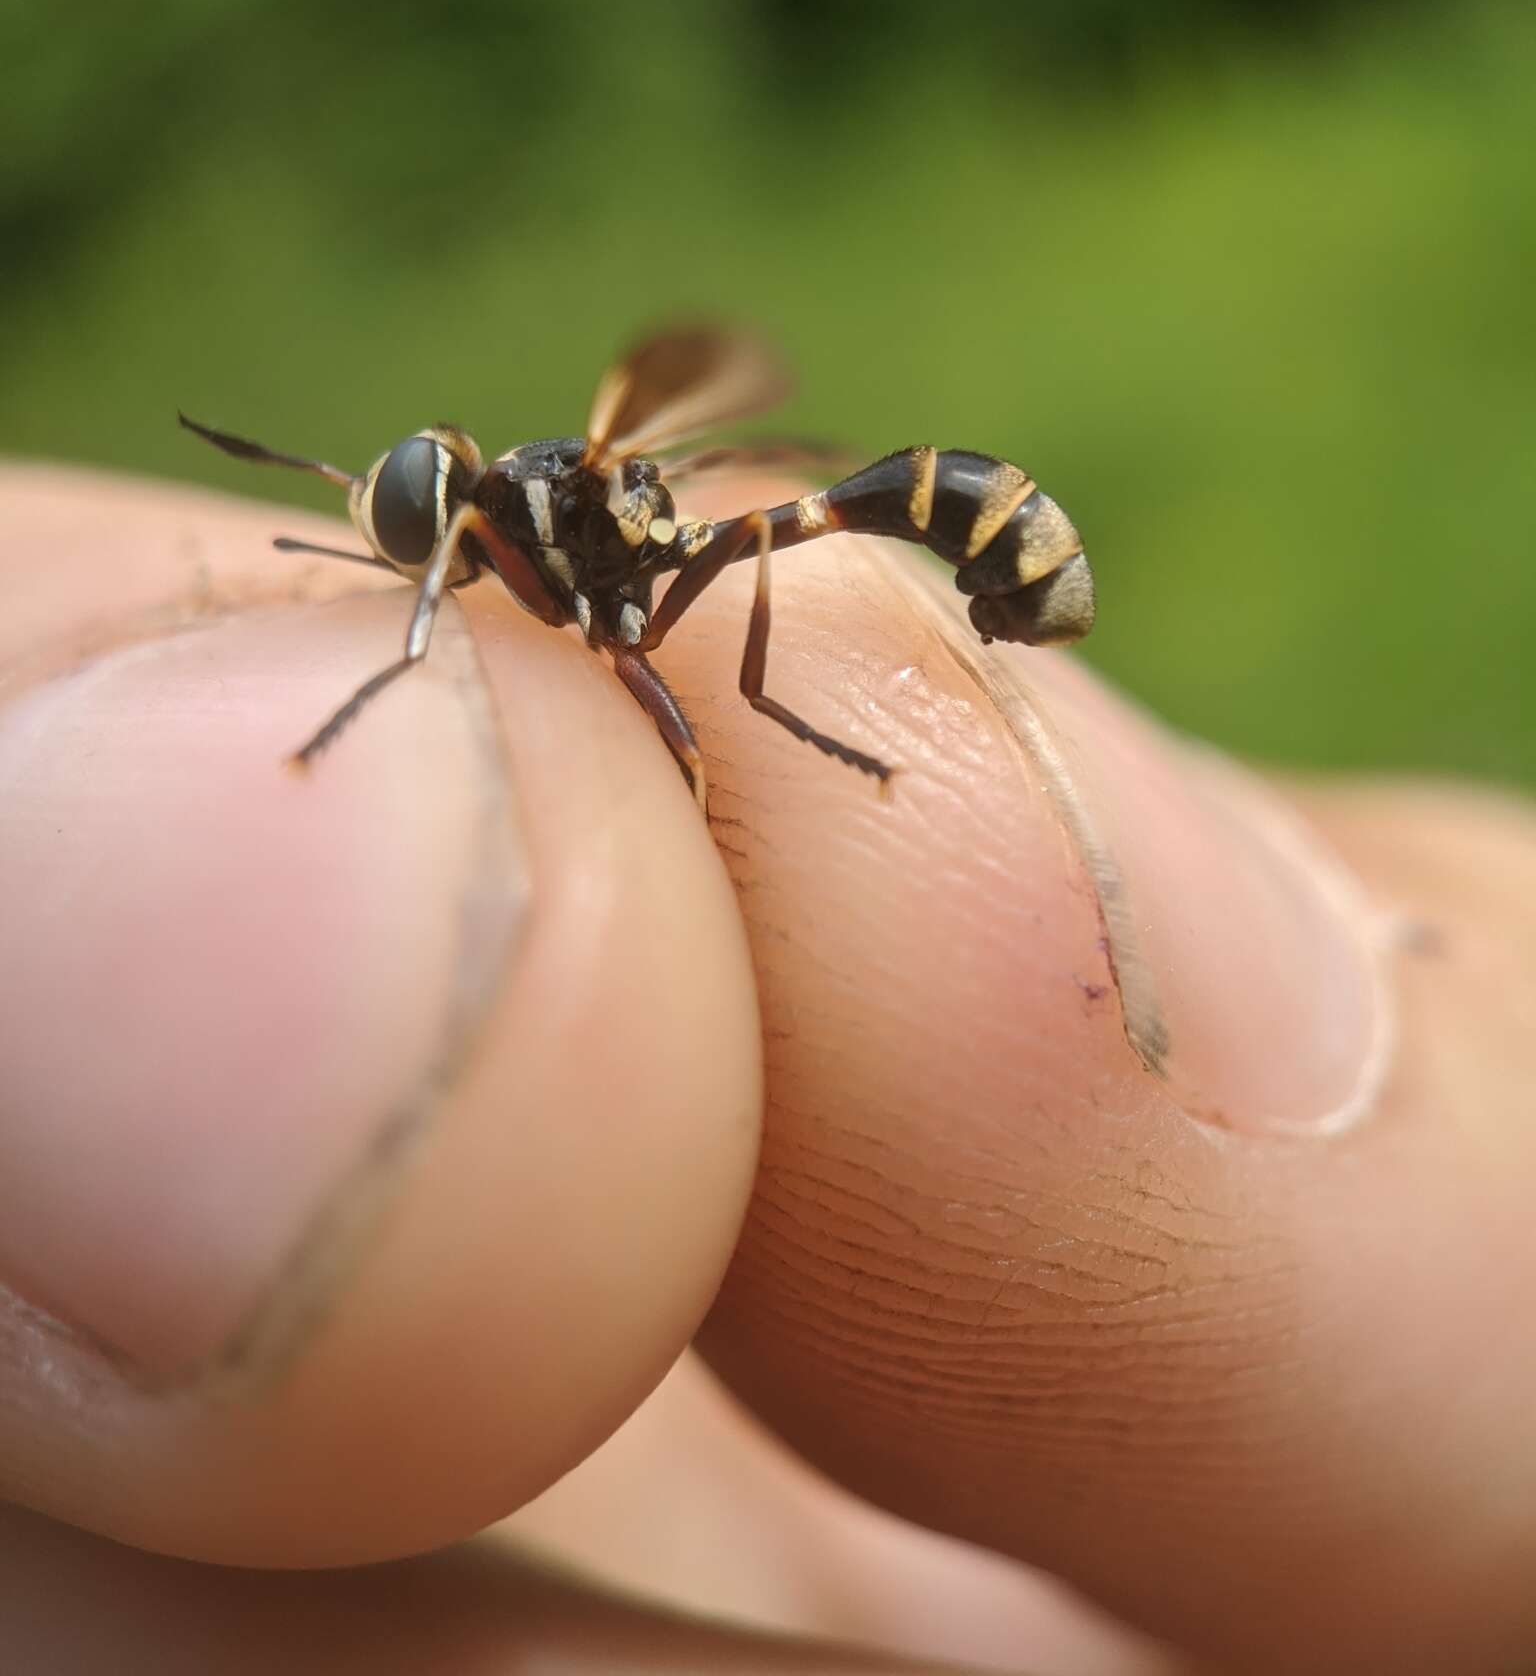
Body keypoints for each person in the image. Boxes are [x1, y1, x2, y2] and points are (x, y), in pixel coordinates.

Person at [1, 459, 1531, 1676]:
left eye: (418, 533)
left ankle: (806, 714)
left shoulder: (546, 525)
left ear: (464, 516)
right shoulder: (545, 545)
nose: (425, 558)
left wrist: (770, 715)